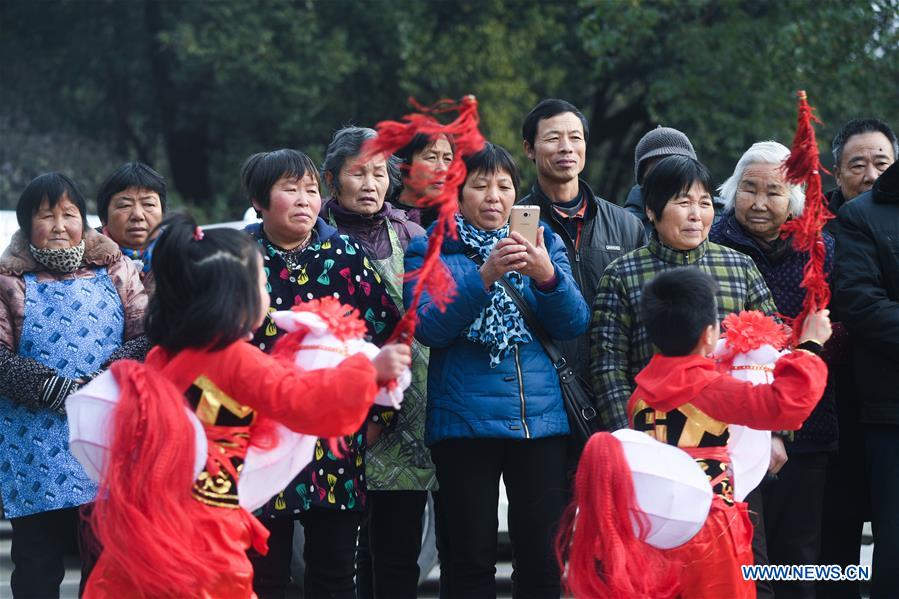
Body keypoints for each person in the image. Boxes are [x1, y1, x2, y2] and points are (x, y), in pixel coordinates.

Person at [81, 213, 412, 598]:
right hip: (208, 523)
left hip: (158, 515)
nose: (268, 296)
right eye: (261, 285)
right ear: (231, 299)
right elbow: (300, 400)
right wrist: (367, 372)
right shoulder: (234, 360)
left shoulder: (166, 356)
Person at [558, 268, 831, 599]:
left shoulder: (639, 395)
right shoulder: (711, 389)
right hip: (709, 529)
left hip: (654, 531)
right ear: (710, 334)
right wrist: (810, 346)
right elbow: (785, 404)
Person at [405, 143, 590, 598]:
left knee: (543, 562)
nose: (494, 196)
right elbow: (430, 327)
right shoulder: (428, 247)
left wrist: (548, 277)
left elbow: (574, 322)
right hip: (463, 427)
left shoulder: (541, 238)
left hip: (539, 425)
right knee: (468, 562)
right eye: (480, 185)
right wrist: (483, 276)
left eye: (504, 186)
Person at [240, 148, 400, 599]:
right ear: (259, 201)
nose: (305, 200)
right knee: (262, 576)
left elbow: (388, 336)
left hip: (333, 441)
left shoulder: (345, 253)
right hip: (262, 438)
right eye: (290, 189)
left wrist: (376, 417)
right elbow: (214, 345)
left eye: (311, 189)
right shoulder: (239, 258)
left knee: (333, 574)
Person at [0, 172, 148, 597]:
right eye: (47, 216)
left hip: (104, 435)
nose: (60, 226)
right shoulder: (8, 280)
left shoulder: (118, 268)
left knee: (105, 559)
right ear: (28, 226)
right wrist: (54, 388)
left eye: (70, 214)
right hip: (34, 444)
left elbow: (145, 336)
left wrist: (105, 381)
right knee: (36, 561)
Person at [711, 141, 840, 599]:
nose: (760, 203)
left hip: (808, 423)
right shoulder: (713, 244)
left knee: (800, 555)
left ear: (795, 200)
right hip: (733, 431)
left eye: (774, 192)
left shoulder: (820, 250)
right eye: (749, 189)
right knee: (747, 557)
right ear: (732, 190)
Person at [319, 126, 435, 599]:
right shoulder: (313, 238)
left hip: (408, 412)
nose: (370, 184)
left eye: (378, 173)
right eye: (357, 173)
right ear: (331, 180)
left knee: (396, 552)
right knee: (338, 555)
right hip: (336, 411)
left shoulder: (412, 235)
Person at [518, 98, 646, 412]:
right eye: (552, 138)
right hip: (543, 397)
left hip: (616, 392)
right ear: (529, 149)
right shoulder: (517, 224)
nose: (566, 147)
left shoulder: (627, 226)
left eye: (575, 138)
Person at [819, 117, 896, 599]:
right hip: (829, 404)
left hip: (878, 396)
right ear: (836, 172)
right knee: (834, 539)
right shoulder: (816, 227)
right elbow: (861, 302)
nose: (870, 174)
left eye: (881, 162)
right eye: (857, 164)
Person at [624, 125, 725, 235]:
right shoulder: (624, 224)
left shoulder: (722, 218)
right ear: (643, 180)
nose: (669, 177)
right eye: (658, 172)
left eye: (678, 169)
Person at [96, 162, 167, 295]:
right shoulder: (83, 263)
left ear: (162, 213)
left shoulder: (182, 256)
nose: (138, 215)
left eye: (148, 204)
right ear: (103, 217)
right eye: (124, 205)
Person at [826, 117, 897, 217]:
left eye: (881, 164)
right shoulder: (812, 229)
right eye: (859, 166)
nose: (872, 177)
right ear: (838, 175)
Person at [392, 133, 455, 228]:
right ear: (403, 164)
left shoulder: (461, 221)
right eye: (432, 157)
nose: (443, 169)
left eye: (447, 159)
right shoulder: (379, 216)